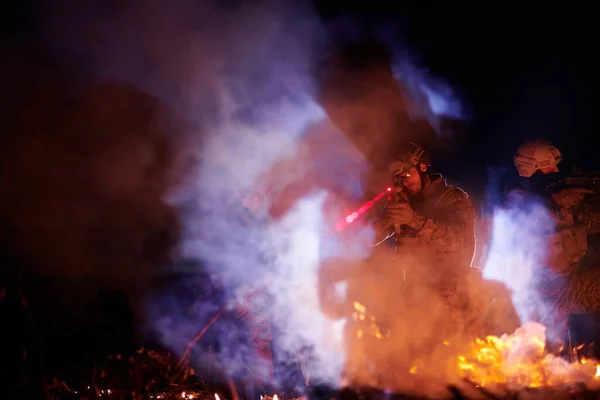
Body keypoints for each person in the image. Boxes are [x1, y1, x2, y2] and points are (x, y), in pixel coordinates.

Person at [506, 139, 600, 341]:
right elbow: (525, 220)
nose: (557, 170)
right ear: (531, 169)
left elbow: (590, 222)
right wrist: (556, 201)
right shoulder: (517, 197)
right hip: (540, 292)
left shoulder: (563, 193)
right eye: (549, 167)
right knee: (540, 355)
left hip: (572, 283)